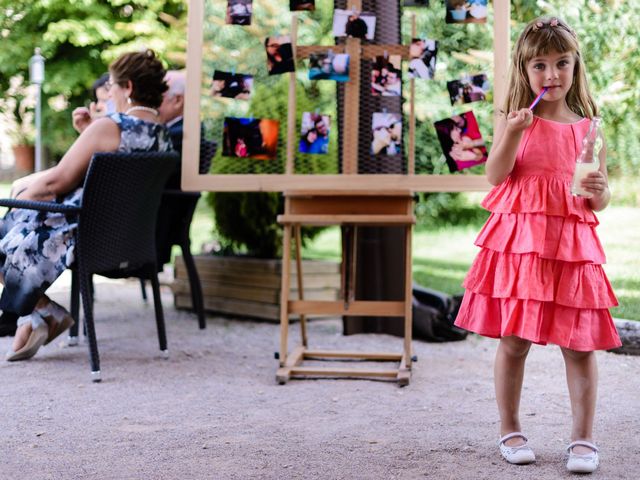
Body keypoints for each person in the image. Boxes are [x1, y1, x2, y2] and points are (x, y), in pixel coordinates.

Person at [453, 17, 620, 474]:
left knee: (580, 345)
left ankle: (583, 439)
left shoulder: (589, 129)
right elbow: (495, 176)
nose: (552, 75)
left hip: (572, 248)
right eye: (540, 65)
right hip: (522, 246)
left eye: (561, 63)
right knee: (514, 340)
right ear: (525, 71)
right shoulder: (516, 123)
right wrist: (511, 132)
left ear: (575, 66)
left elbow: (597, 201)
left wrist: (601, 190)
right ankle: (510, 429)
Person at [2, 49, 173, 362]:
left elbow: (57, 182)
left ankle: (43, 312)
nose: (108, 93)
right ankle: (38, 315)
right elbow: (110, 175)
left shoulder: (110, 126)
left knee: (8, 225)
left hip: (78, 233)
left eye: (111, 86)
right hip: (125, 240)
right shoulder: (162, 136)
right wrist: (88, 134)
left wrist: (17, 199)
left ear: (129, 88)